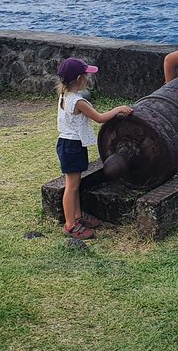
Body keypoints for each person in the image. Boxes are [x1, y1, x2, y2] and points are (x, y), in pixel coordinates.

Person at [55, 57, 132, 240]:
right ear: (80, 78)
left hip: (68, 143)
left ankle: (77, 216)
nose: (88, 79)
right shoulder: (78, 102)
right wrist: (118, 109)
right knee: (72, 186)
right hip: (72, 145)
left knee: (75, 184)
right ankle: (70, 225)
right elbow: (99, 117)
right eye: (87, 75)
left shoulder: (64, 95)